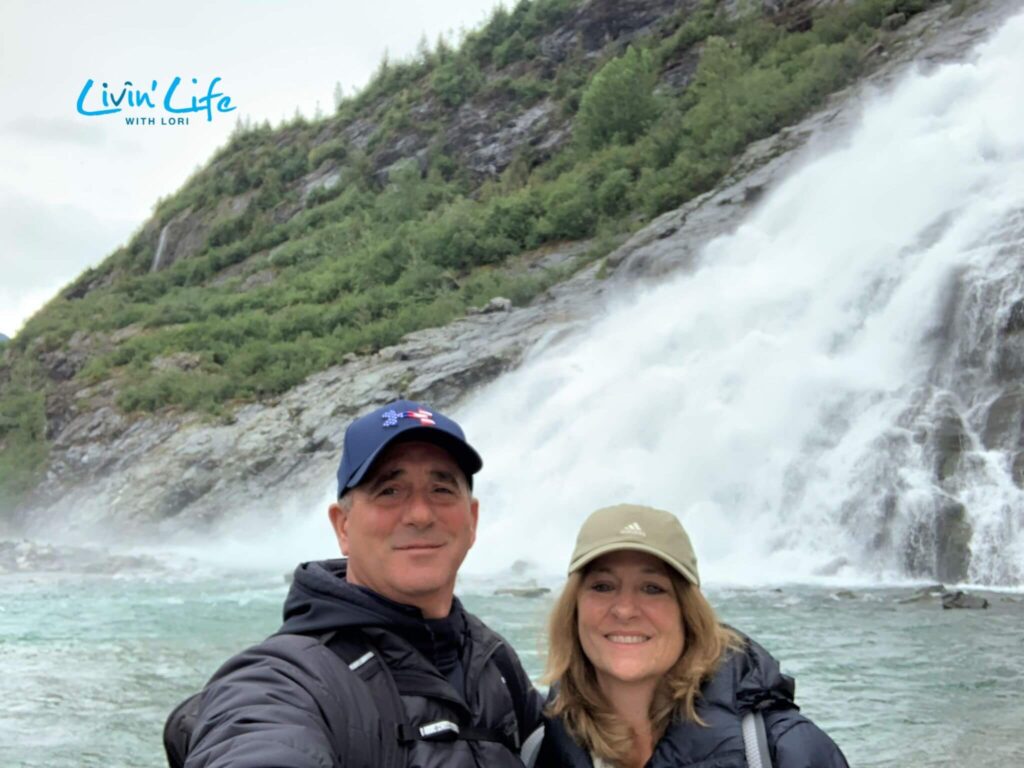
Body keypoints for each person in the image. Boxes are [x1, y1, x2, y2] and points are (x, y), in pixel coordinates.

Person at [175, 399, 544, 768]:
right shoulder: (285, 679)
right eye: (389, 491)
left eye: (442, 489)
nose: (419, 514)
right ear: (343, 526)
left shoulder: (493, 662)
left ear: (473, 519)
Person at [533, 504, 849, 768]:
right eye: (603, 586)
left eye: (652, 588)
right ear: (573, 610)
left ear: (688, 614)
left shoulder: (787, 752)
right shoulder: (537, 750)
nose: (625, 610)